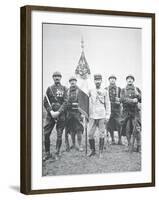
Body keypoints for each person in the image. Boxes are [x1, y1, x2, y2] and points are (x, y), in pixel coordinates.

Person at [43, 71, 68, 160]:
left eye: (58, 76)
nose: (57, 78)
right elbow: (45, 102)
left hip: (61, 115)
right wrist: (51, 112)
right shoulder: (49, 88)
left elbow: (66, 102)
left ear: (61, 78)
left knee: (59, 134)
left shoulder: (64, 88)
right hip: (51, 115)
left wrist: (58, 112)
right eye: (55, 76)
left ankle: (57, 152)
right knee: (46, 134)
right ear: (53, 78)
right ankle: (47, 153)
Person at [88, 74, 111, 158]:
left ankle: (100, 151)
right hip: (92, 115)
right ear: (94, 81)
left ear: (101, 81)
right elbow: (86, 101)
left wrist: (108, 115)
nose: (97, 81)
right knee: (90, 134)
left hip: (102, 115)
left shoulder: (105, 91)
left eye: (99, 80)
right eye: (96, 80)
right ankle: (92, 150)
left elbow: (108, 104)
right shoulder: (90, 90)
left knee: (102, 133)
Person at [120, 75, 141, 152]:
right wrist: (132, 101)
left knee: (137, 130)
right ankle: (129, 145)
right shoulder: (123, 90)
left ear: (133, 80)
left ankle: (139, 146)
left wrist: (138, 94)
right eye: (128, 79)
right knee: (127, 129)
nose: (130, 80)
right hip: (126, 113)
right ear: (126, 80)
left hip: (135, 112)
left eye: (131, 79)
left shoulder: (137, 89)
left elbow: (141, 99)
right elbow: (122, 99)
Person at [65, 76, 84, 152]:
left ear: (76, 82)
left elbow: (83, 103)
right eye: (71, 81)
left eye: (74, 81)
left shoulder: (79, 91)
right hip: (69, 113)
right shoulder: (67, 91)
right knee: (71, 130)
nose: (72, 82)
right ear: (69, 82)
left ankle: (80, 145)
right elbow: (65, 101)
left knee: (79, 129)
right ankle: (73, 144)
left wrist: (82, 113)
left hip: (77, 113)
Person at [106, 75, 122, 145]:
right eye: (111, 79)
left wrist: (119, 100)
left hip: (117, 110)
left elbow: (122, 98)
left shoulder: (119, 89)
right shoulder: (105, 89)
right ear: (109, 80)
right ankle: (112, 139)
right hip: (109, 109)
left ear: (115, 80)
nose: (112, 80)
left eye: (113, 79)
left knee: (119, 124)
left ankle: (120, 140)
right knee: (110, 125)